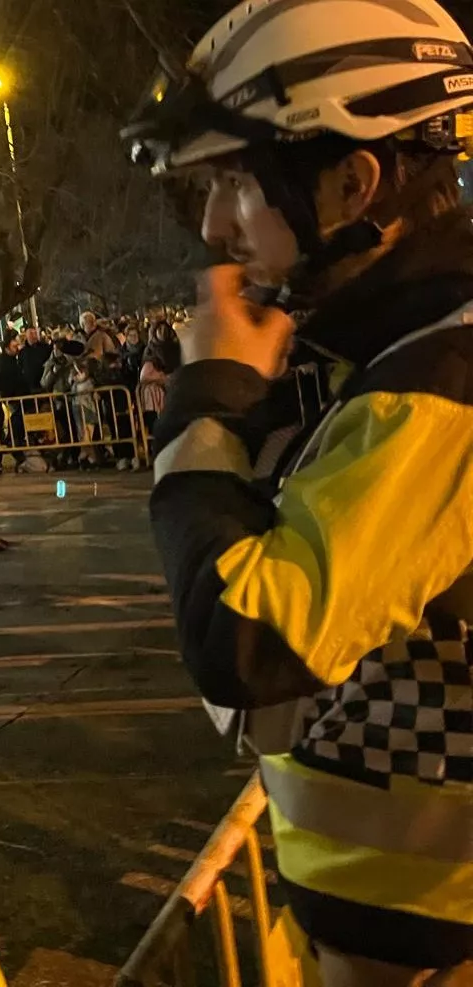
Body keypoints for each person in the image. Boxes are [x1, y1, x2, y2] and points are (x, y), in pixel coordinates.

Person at [125, 1, 473, 983]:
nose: (211, 223)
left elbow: (246, 638)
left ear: (353, 179)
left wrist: (204, 412)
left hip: (430, 938)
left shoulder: (440, 382)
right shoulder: (396, 348)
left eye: (235, 179)